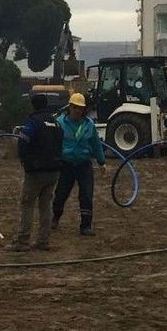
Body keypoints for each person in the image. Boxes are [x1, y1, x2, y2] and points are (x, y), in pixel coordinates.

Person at [7, 94, 63, 252]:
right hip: (54, 171)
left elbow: (23, 142)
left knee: (27, 204)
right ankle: (43, 241)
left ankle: (22, 241)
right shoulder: (56, 123)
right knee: (45, 205)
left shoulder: (32, 122)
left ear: (33, 105)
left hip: (36, 171)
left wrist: (25, 161)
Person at [51, 93, 105, 236]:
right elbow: (52, 143)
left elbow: (96, 144)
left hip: (84, 164)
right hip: (66, 165)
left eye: (80, 108)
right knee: (61, 194)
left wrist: (101, 162)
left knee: (86, 195)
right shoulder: (59, 123)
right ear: (70, 107)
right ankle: (55, 217)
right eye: (75, 107)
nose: (77, 110)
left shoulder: (89, 125)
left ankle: (86, 226)